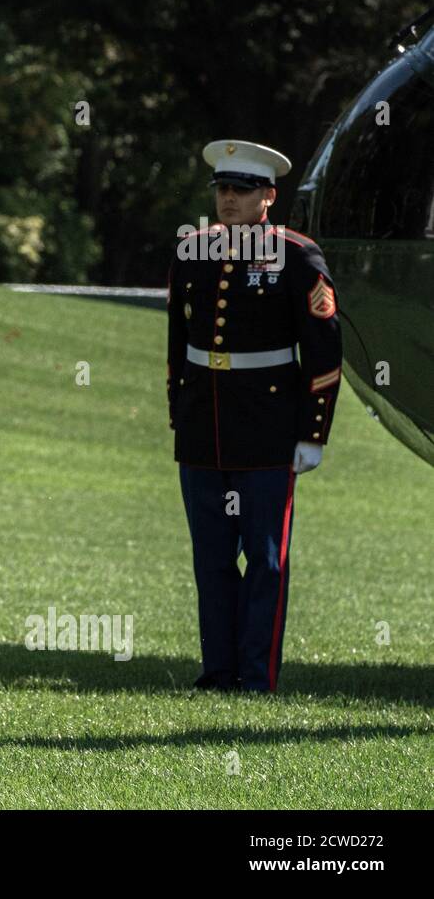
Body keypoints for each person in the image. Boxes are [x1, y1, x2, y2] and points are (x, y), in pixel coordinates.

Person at [167, 139, 343, 694]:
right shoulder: (191, 249)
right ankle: (217, 672)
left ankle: (256, 676)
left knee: (265, 559)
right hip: (204, 427)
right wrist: (179, 408)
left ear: (268, 195)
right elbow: (178, 339)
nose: (228, 200)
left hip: (269, 428)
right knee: (212, 559)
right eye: (222, 189)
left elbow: (323, 350)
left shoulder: (297, 255)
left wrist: (313, 434)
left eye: (241, 190)